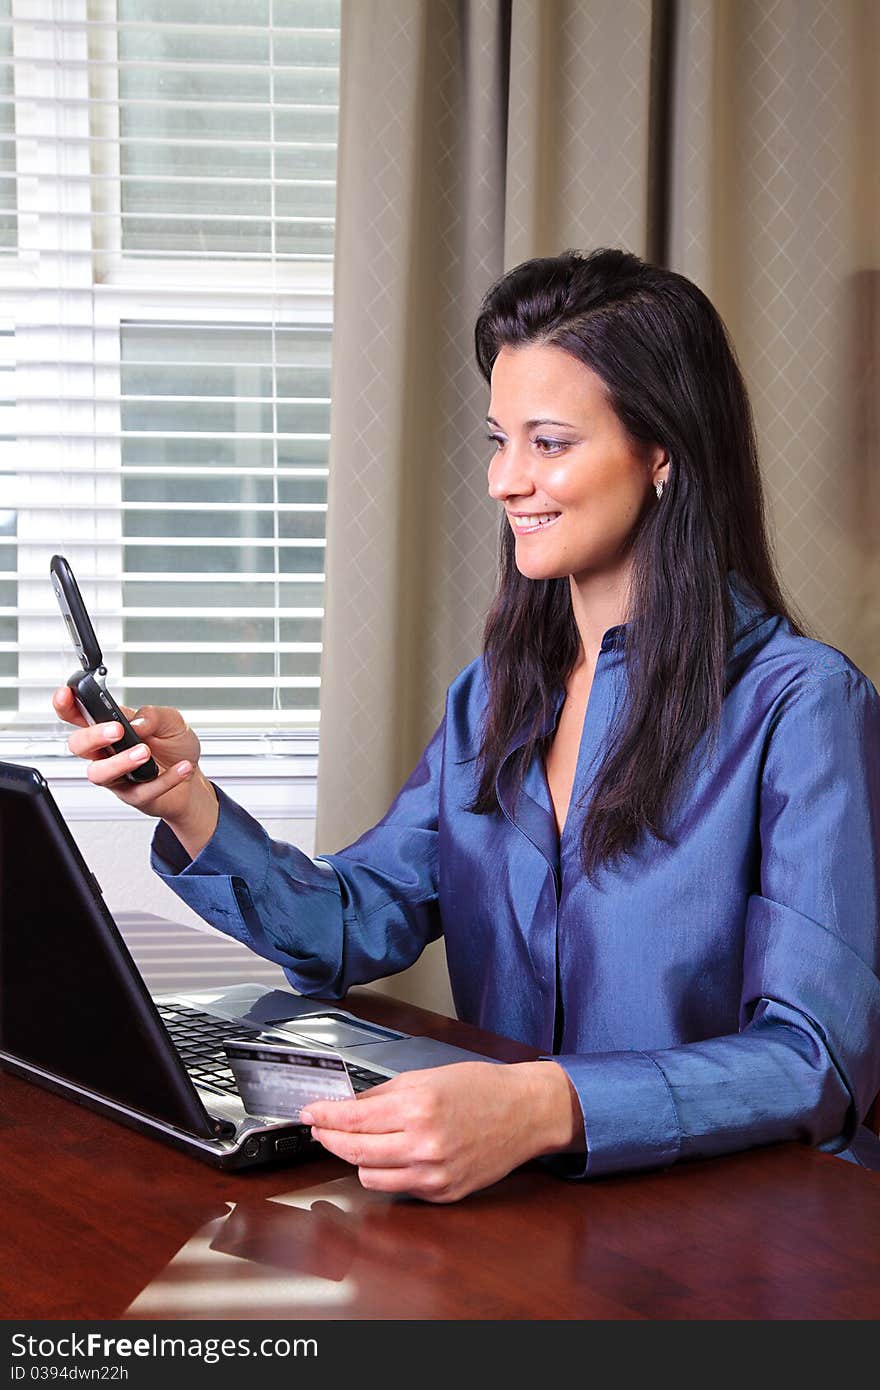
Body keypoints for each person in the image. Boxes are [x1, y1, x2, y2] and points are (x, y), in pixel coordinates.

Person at [54, 247, 880, 1203]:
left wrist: (540, 1106)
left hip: (729, 1233)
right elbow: (349, 928)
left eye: (550, 443)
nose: (505, 480)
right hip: (515, 1213)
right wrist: (187, 803)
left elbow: (814, 1061)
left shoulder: (802, 704)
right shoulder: (493, 696)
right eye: (499, 440)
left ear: (664, 452)